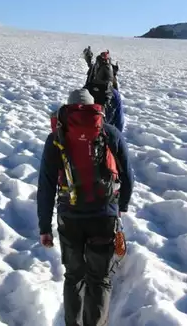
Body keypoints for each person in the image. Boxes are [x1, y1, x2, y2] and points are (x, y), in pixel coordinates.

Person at [38, 88, 134, 326]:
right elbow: (128, 176)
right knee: (100, 278)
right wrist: (121, 206)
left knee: (74, 277)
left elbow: (46, 185)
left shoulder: (56, 138)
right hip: (104, 215)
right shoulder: (110, 133)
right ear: (95, 110)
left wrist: (44, 227)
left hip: (69, 217)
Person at [82, 47, 126, 132]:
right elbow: (119, 122)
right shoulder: (114, 94)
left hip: (88, 131)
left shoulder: (86, 90)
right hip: (106, 131)